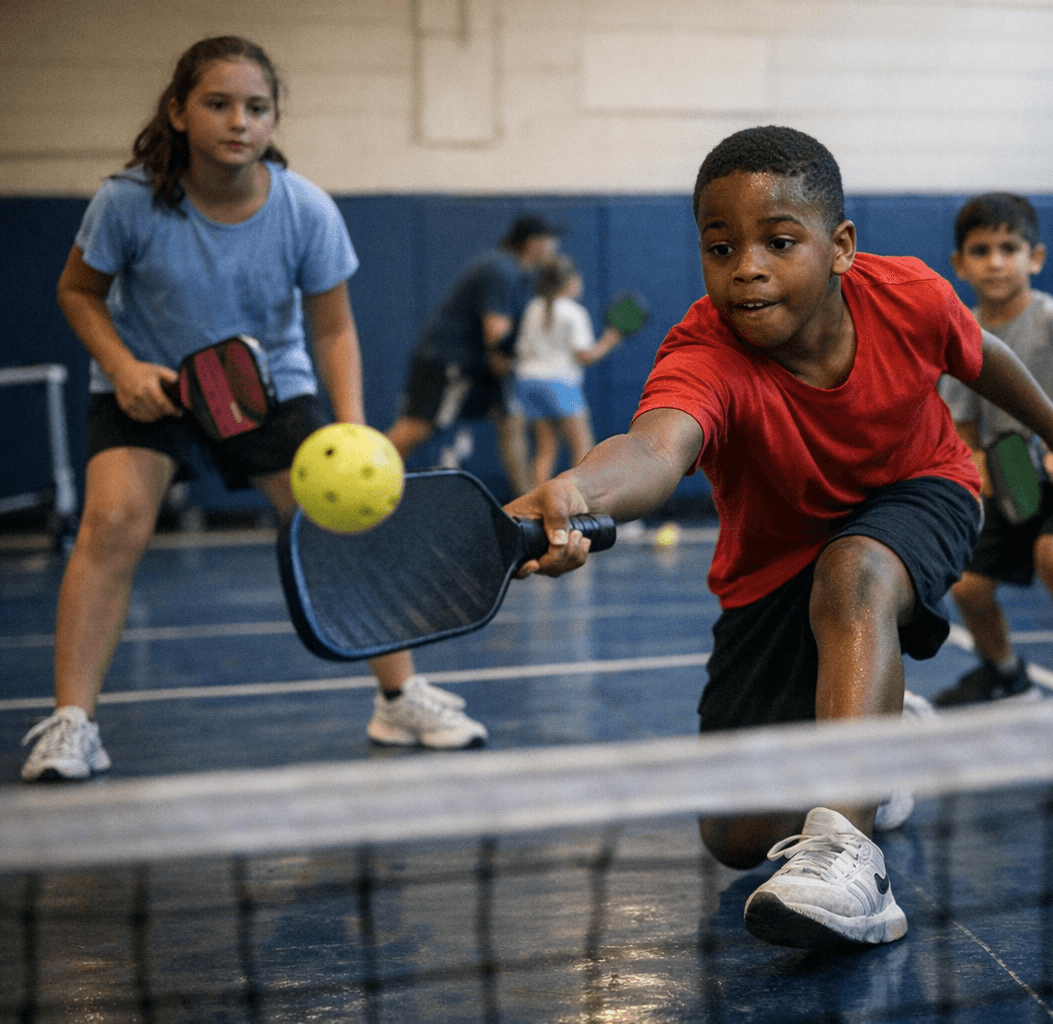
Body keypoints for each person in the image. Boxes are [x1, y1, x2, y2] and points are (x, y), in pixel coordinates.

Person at [504, 126, 1053, 950]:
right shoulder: (705, 352)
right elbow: (656, 449)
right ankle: (880, 734)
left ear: (840, 248)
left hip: (923, 489)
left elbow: (983, 358)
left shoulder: (909, 295)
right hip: (771, 565)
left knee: (856, 574)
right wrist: (581, 488)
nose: (747, 267)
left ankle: (850, 856)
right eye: (720, 247)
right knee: (733, 836)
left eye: (779, 241)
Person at [21, 37, 487, 783]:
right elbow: (77, 292)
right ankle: (73, 723)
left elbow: (332, 326)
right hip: (150, 385)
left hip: (261, 388)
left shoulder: (304, 208)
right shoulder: (127, 201)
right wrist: (122, 366)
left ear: (274, 120)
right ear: (178, 111)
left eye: (256, 107)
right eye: (218, 103)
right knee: (109, 526)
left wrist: (350, 423)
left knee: (343, 534)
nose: (239, 120)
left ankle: (398, 698)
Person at [935, 193, 1053, 705]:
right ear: (959, 265)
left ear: (1035, 258)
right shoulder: (962, 331)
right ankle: (1005, 673)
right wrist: (979, 466)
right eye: (981, 250)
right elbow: (962, 421)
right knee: (967, 583)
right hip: (1010, 474)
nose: (994, 261)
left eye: (1008, 248)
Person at [384, 213, 563, 498]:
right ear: (533, 243)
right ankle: (365, 483)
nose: (555, 247)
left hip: (478, 369)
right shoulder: (500, 270)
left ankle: (527, 500)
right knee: (415, 429)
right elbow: (496, 339)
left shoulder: (518, 274)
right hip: (450, 364)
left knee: (511, 419)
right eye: (551, 240)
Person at [513, 254, 624, 486]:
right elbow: (584, 356)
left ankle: (534, 511)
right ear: (570, 282)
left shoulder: (533, 307)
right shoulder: (574, 312)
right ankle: (579, 505)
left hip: (528, 384)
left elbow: (521, 349)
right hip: (560, 384)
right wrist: (609, 341)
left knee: (546, 449)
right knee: (583, 447)